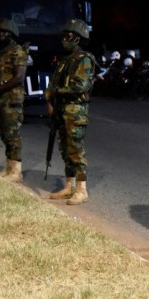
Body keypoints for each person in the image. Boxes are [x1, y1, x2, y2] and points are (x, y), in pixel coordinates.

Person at [45, 19, 97, 205]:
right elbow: (52, 84)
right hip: (61, 109)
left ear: (78, 38)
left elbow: (80, 86)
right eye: (64, 35)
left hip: (75, 110)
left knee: (75, 149)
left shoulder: (84, 59)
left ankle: (82, 189)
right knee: (65, 149)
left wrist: (56, 91)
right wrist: (49, 99)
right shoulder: (65, 60)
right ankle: (69, 185)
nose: (64, 39)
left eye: (68, 36)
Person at [0, 19, 27, 181]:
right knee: (4, 132)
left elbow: (19, 77)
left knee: (13, 134)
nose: (2, 35)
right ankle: (9, 166)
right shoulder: (1, 52)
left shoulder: (18, 52)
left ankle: (16, 172)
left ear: (12, 34)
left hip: (11, 98)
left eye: (5, 32)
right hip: (1, 98)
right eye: (0, 32)